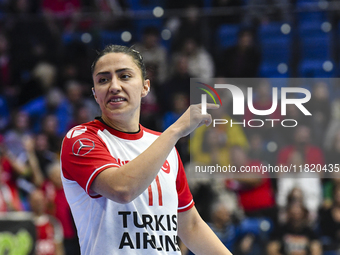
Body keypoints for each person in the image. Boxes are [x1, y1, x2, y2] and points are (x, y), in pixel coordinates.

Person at [60, 45, 232, 255]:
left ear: (145, 87)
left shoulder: (164, 146)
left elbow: (190, 226)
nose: (114, 86)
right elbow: (122, 189)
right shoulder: (80, 139)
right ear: (95, 94)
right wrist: (176, 130)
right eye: (103, 80)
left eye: (124, 76)